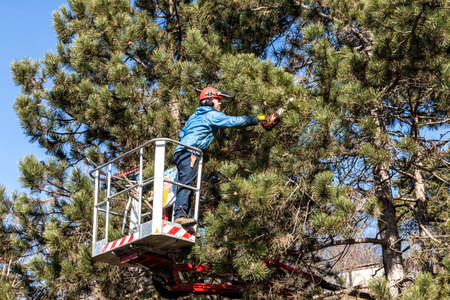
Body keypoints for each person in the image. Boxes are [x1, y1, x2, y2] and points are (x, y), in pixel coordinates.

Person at [173, 87, 259, 226]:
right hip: (191, 152)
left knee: (185, 181)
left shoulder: (194, 116)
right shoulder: (211, 114)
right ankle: (180, 215)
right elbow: (232, 121)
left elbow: (182, 134)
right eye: (217, 101)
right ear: (209, 101)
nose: (220, 104)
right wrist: (254, 119)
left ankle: (184, 215)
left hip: (180, 151)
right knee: (187, 183)